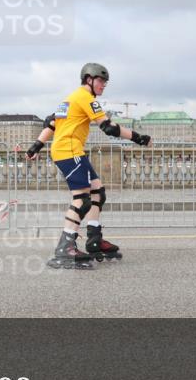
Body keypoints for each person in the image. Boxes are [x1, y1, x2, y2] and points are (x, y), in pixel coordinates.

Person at [26, 63, 151, 269]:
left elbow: (51, 123)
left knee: (97, 193)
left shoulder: (70, 98)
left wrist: (36, 146)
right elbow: (109, 127)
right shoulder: (86, 98)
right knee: (81, 200)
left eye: (105, 82)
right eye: (101, 81)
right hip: (70, 151)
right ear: (89, 79)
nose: (103, 86)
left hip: (69, 151)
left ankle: (94, 239)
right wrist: (139, 138)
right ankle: (65, 248)